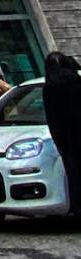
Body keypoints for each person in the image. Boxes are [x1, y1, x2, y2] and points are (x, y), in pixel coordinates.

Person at [42, 51, 81, 219]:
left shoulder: (49, 88)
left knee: (74, 174)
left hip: (66, 138)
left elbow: (52, 118)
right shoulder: (76, 81)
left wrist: (59, 142)